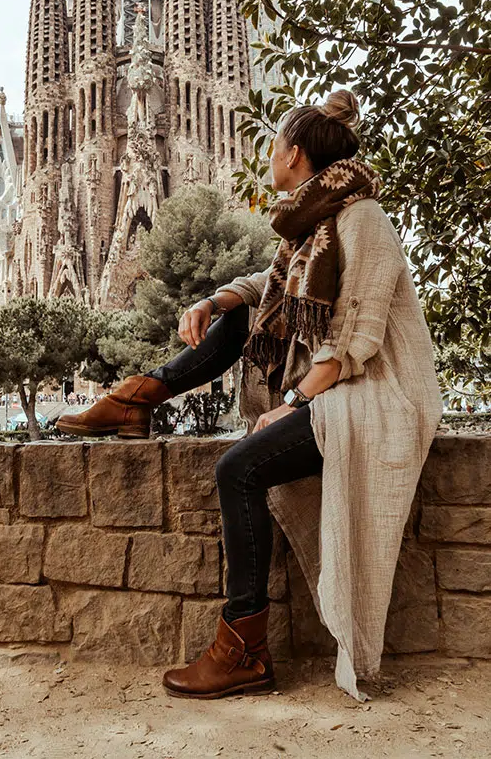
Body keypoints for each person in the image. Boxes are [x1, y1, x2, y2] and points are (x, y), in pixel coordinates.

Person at [55, 90, 443, 701]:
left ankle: (243, 650)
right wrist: (215, 299)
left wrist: (294, 406)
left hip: (372, 396)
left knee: (238, 467)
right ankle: (138, 397)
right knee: (240, 315)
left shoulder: (361, 218)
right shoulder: (314, 223)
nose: (268, 159)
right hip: (335, 386)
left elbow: (356, 339)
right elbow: (273, 285)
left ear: (292, 154)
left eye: (272, 150)